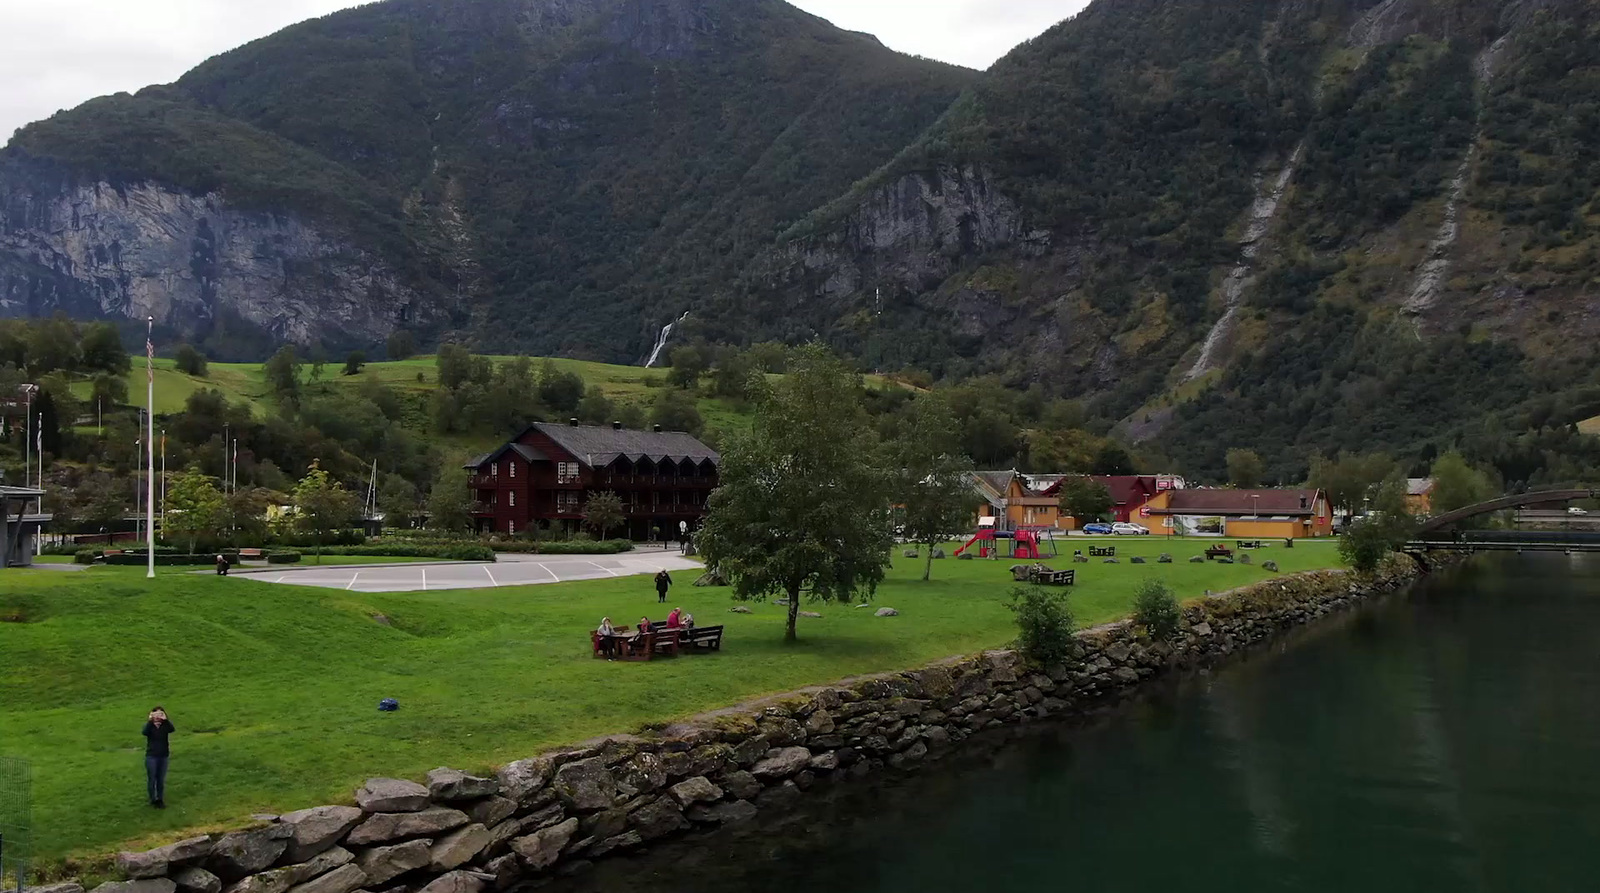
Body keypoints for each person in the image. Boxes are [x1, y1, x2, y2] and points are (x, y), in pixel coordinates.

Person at [142, 707, 175, 808]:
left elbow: (172, 729)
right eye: (155, 714)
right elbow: (144, 732)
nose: (157, 717)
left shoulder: (165, 726)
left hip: (163, 756)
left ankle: (160, 799)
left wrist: (166, 720)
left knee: (160, 779)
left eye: (160, 714)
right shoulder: (150, 726)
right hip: (152, 756)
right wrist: (150, 721)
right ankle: (153, 799)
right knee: (152, 778)